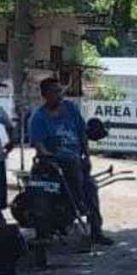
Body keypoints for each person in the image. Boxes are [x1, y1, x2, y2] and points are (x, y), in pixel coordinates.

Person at [28, 78, 113, 246]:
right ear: (44, 95)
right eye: (54, 92)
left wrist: (87, 156)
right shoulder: (38, 117)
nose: (59, 96)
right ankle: (76, 201)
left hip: (76, 162)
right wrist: (49, 157)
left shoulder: (71, 109)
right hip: (54, 162)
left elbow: (82, 133)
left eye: (60, 91)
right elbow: (39, 145)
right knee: (71, 162)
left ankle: (96, 231)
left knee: (91, 187)